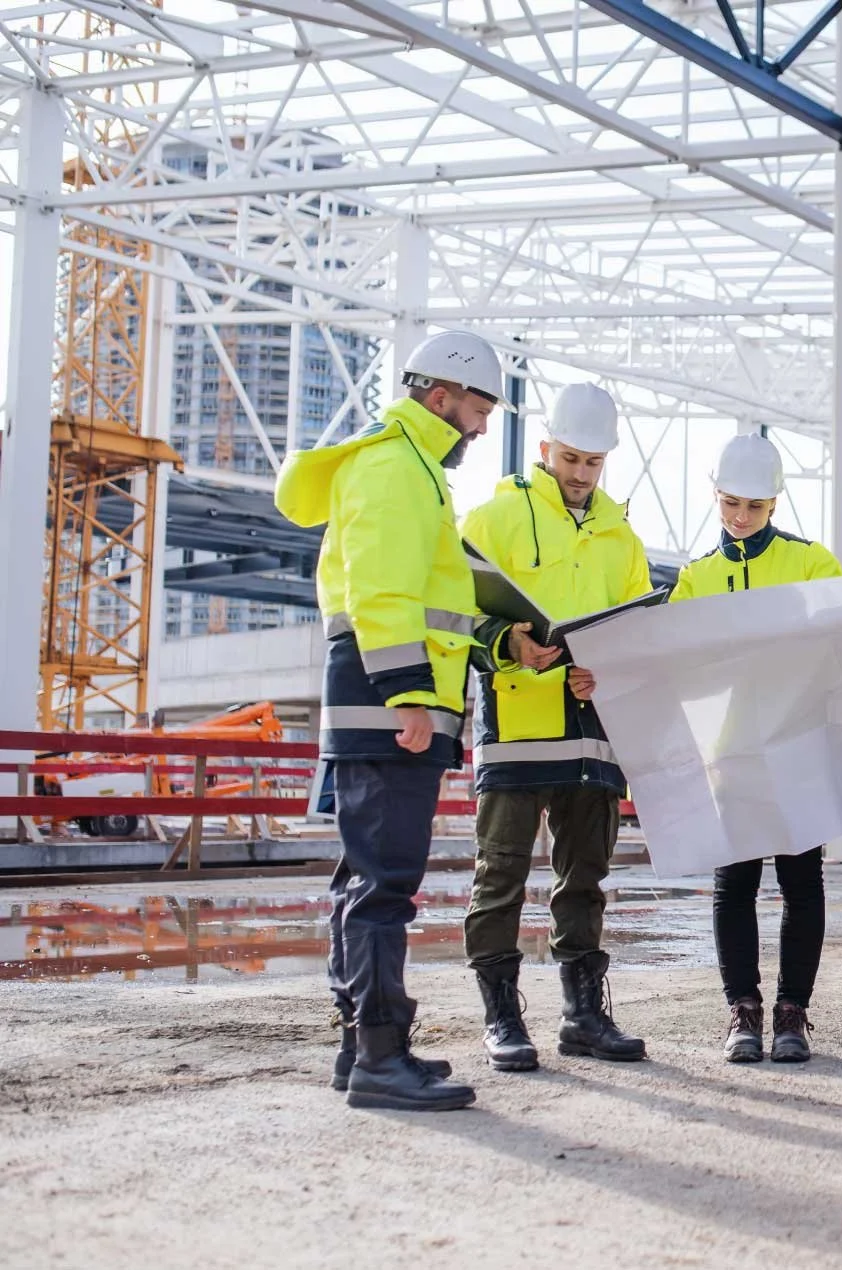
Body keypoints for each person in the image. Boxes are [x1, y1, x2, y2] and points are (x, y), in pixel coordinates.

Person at [275, 330, 513, 1112]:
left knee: (365, 881)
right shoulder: (392, 468)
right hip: (388, 704)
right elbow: (380, 593)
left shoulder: (409, 470)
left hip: (387, 701)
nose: (480, 428)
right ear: (440, 396)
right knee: (383, 886)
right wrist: (410, 695)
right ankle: (380, 1056)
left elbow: (433, 597)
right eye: (477, 409)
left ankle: (361, 1048)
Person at [459, 382, 651, 1071]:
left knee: (585, 878)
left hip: (592, 727)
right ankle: (503, 1017)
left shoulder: (621, 539)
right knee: (500, 873)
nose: (579, 473)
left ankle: (584, 1016)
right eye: (570, 458)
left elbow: (638, 633)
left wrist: (613, 668)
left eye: (593, 462)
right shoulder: (495, 518)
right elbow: (454, 611)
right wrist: (505, 641)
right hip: (516, 722)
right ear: (545, 449)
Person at [669, 433, 842, 1064]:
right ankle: (741, 1010)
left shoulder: (812, 563)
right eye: (731, 503)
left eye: (756, 506)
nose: (742, 517)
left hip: (799, 747)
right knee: (735, 883)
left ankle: (793, 1012)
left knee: (802, 883)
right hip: (733, 752)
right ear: (715, 496)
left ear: (776, 502)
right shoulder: (695, 578)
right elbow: (673, 664)